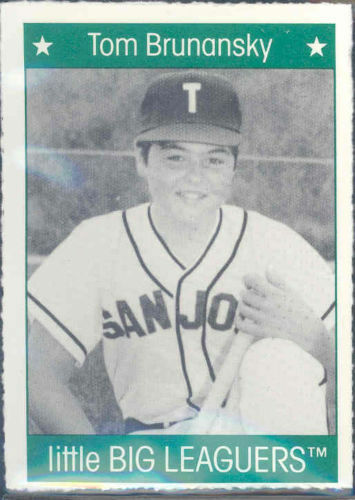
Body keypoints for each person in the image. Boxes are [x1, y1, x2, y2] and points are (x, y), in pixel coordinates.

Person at [28, 71, 335, 435]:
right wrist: (100, 470)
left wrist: (320, 343)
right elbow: (36, 373)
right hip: (154, 452)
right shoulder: (98, 242)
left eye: (214, 160)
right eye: (176, 158)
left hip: (257, 448)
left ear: (234, 167)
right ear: (142, 161)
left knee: (279, 360)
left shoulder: (276, 245)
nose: (195, 176)